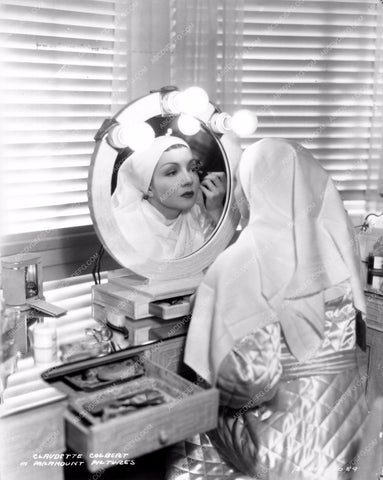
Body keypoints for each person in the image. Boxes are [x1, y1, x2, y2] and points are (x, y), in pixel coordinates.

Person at [167, 138, 369, 480]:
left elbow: (246, 381)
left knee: (191, 416)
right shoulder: (336, 248)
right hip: (351, 438)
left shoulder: (240, 263)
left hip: (281, 451)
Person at [111, 135, 226, 261]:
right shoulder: (125, 228)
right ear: (148, 187)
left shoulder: (198, 215)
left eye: (192, 169)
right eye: (172, 172)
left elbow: (225, 264)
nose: (188, 180)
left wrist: (216, 209)